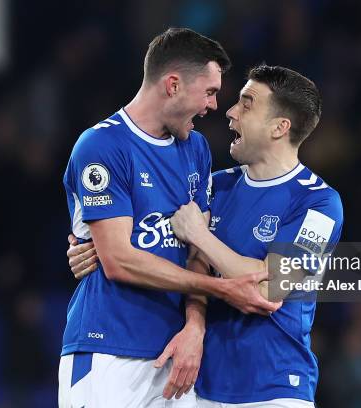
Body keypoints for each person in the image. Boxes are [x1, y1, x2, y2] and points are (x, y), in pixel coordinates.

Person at [69, 65, 344, 407]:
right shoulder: (217, 184)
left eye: (246, 104)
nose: (229, 112)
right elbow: (183, 257)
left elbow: (269, 288)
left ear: (279, 127)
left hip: (276, 387)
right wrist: (93, 248)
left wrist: (202, 235)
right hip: (200, 387)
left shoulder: (319, 203)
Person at [59, 28, 280, 408]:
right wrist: (222, 289)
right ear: (173, 85)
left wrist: (195, 325)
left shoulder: (195, 149)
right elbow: (118, 261)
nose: (214, 106)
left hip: (175, 355)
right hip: (108, 348)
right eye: (209, 92)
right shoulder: (101, 146)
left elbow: (197, 252)